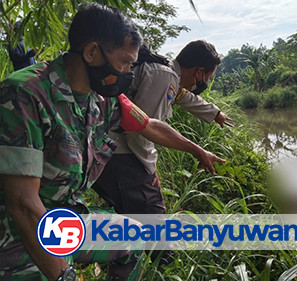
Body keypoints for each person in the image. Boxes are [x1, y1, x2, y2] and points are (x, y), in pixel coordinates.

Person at [0, 3, 224, 281]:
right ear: (92, 52)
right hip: (17, 238)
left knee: (133, 238)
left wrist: (198, 150)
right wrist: (64, 276)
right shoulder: (25, 94)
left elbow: (151, 126)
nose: (129, 72)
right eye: (126, 63)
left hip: (65, 220)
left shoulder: (105, 99)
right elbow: (22, 204)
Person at [92, 41, 231, 215]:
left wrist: (215, 113)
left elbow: (183, 96)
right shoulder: (164, 76)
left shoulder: (166, 71)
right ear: (199, 72)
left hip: (104, 149)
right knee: (154, 224)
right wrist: (150, 170)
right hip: (121, 156)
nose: (205, 83)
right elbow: (142, 131)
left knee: (131, 216)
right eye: (207, 78)